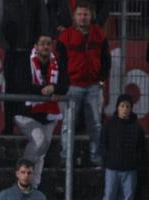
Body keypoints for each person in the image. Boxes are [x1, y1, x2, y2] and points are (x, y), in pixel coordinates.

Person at [56, 1, 110, 168]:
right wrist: (65, 84)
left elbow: (106, 60)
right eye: (80, 14)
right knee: (68, 125)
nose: (83, 17)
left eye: (86, 14)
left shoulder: (100, 35)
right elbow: (61, 63)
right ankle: (66, 159)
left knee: (96, 125)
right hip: (72, 87)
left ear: (91, 16)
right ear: (74, 16)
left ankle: (96, 159)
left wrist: (101, 80)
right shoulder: (65, 37)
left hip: (94, 86)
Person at [13, 34, 68, 190]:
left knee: (42, 151)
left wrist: (54, 89)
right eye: (42, 43)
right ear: (35, 46)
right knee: (39, 140)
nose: (45, 46)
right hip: (27, 112)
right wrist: (42, 90)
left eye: (48, 44)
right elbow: (20, 84)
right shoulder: (25, 61)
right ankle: (22, 177)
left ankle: (34, 185)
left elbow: (66, 85)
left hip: (49, 114)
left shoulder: (58, 63)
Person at [0, 0, 49, 134]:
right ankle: (9, 125)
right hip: (13, 54)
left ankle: (32, 126)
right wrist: (6, 46)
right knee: (11, 89)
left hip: (33, 53)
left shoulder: (38, 3)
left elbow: (44, 26)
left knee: (34, 88)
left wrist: (40, 48)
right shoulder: (4, 2)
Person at [98, 94, 145, 200]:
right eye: (122, 106)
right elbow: (103, 144)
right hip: (112, 168)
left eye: (127, 106)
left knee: (127, 197)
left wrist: (136, 161)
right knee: (110, 195)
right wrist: (107, 160)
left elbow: (141, 148)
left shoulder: (137, 128)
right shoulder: (109, 124)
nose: (125, 109)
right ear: (117, 107)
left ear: (131, 109)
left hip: (130, 169)